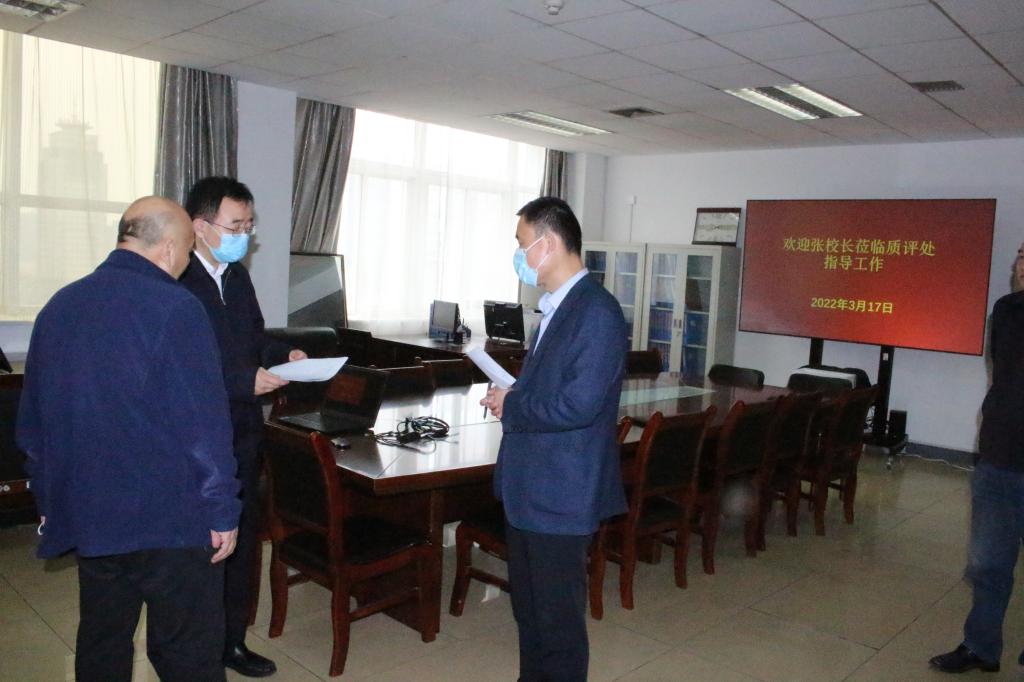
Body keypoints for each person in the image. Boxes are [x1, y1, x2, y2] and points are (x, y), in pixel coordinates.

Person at [16, 196, 241, 682]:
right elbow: (204, 425)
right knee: (187, 653)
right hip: (170, 521)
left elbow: (34, 422)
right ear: (169, 247)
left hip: (92, 515)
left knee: (103, 641)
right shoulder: (177, 307)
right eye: (187, 251)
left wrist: (49, 499)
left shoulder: (59, 306)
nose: (186, 262)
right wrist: (223, 509)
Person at [482, 196, 628, 681]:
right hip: (530, 490)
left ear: (549, 244)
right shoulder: (556, 308)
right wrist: (513, 393)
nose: (520, 255)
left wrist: (514, 405)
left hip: (561, 496)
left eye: (523, 244)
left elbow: (578, 405)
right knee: (529, 614)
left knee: (558, 625)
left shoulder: (597, 312)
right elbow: (552, 389)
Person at [180, 176, 305, 678]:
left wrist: (284, 355)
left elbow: (253, 338)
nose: (244, 236)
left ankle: (233, 640)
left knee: (243, 546)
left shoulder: (236, 277)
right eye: (235, 226)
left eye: (249, 226)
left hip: (244, 437)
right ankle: (198, 649)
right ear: (200, 225)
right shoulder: (176, 280)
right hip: (195, 446)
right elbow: (181, 367)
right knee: (200, 552)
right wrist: (240, 380)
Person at [930, 247, 1024, 674]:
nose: (1021, 264)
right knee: (987, 564)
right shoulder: (1005, 310)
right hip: (998, 459)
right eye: (1021, 255)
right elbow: (999, 375)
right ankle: (981, 647)